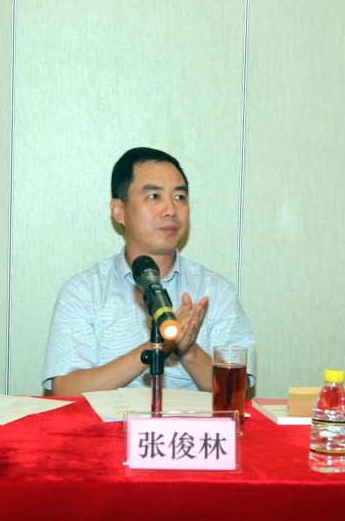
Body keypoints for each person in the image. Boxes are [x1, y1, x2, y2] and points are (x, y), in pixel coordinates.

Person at [43, 147, 255, 394]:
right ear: (119, 211)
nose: (171, 210)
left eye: (179, 197)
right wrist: (156, 346)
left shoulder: (215, 292)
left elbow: (236, 392)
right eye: (154, 196)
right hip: (107, 421)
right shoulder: (84, 291)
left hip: (189, 421)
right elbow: (64, 391)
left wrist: (188, 350)